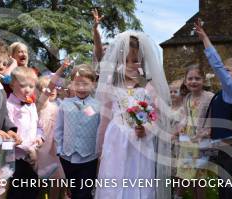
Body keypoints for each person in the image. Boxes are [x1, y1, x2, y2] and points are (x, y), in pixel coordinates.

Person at [95, 31, 171, 199]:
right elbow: (105, 118)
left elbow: (156, 118)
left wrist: (146, 129)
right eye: (125, 61)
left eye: (135, 61)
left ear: (142, 62)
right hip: (115, 142)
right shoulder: (111, 86)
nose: (129, 65)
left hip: (140, 143)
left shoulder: (149, 88)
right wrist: (100, 148)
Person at [194, 19, 232, 199]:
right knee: (223, 192)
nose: (223, 74)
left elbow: (216, 66)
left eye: (228, 71)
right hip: (221, 151)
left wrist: (205, 39)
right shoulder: (220, 95)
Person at [55, 64, 100, 199]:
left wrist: (99, 151)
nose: (81, 88)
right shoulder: (65, 104)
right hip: (67, 156)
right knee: (72, 192)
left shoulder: (98, 105)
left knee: (84, 193)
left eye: (85, 84)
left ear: (93, 84)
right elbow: (59, 129)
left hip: (89, 158)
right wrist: (59, 149)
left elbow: (99, 129)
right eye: (78, 84)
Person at [174, 64, 214, 199]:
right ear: (185, 82)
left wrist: (206, 132)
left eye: (197, 78)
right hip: (187, 139)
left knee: (199, 174)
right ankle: (179, 195)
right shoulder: (187, 98)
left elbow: (212, 118)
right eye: (190, 79)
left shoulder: (209, 97)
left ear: (203, 80)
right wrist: (180, 126)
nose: (193, 81)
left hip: (202, 138)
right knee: (184, 171)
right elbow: (185, 116)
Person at [6, 67, 43, 199]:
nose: (27, 89)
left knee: (32, 190)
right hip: (16, 158)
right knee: (17, 192)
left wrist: (39, 137)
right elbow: (10, 134)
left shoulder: (31, 104)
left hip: (32, 155)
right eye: (22, 85)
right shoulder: (9, 105)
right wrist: (28, 148)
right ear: (11, 85)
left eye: (31, 86)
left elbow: (38, 125)